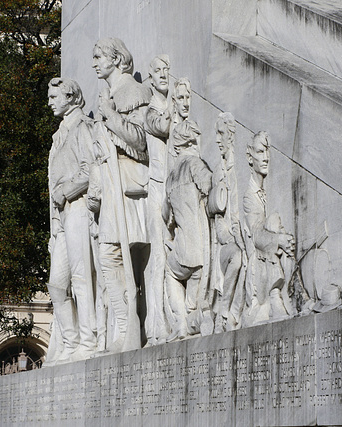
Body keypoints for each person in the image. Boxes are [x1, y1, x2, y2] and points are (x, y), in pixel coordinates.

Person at [88, 37, 152, 353]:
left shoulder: (133, 91)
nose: (94, 62)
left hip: (128, 186)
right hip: (111, 187)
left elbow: (142, 142)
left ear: (116, 58)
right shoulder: (108, 95)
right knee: (108, 256)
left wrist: (110, 115)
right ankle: (125, 326)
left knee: (115, 255)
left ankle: (130, 327)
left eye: (99, 56)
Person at [45, 77, 97, 363]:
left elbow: (91, 170)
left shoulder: (83, 128)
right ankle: (70, 341)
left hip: (78, 207)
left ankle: (87, 340)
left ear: (71, 97)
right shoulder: (58, 136)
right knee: (56, 284)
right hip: (61, 217)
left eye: (55, 97)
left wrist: (67, 191)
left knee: (81, 277)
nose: (50, 101)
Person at [163, 119, 213, 340]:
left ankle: (181, 321)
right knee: (195, 299)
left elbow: (167, 215)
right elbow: (208, 185)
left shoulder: (171, 176)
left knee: (170, 271)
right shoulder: (194, 164)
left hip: (182, 248)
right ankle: (190, 320)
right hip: (199, 251)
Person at [241, 131, 296, 327]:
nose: (265, 158)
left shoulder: (266, 190)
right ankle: (274, 295)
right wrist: (278, 240)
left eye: (267, 152)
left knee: (278, 228)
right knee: (272, 223)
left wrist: (283, 239)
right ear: (250, 157)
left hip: (271, 258)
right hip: (258, 272)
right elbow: (256, 235)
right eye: (260, 151)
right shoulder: (249, 196)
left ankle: (293, 291)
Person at [143, 54, 172, 346]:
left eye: (167, 70)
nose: (164, 75)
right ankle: (155, 323)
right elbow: (161, 126)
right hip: (157, 189)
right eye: (158, 71)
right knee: (159, 259)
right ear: (150, 78)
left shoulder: (167, 107)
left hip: (174, 191)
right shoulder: (151, 111)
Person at [210, 112, 244, 333]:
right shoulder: (218, 173)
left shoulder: (238, 168)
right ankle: (225, 309)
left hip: (243, 236)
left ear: (231, 136)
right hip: (225, 247)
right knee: (239, 256)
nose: (216, 140)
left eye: (221, 134)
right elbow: (219, 223)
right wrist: (234, 236)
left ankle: (237, 312)